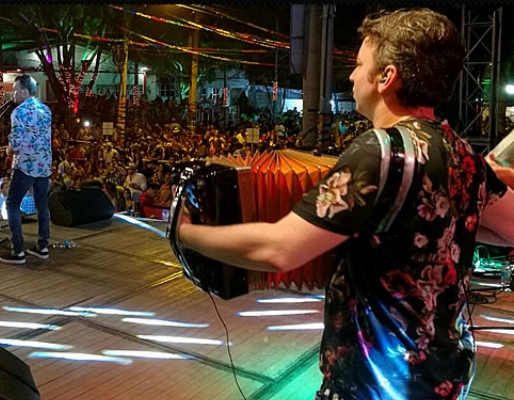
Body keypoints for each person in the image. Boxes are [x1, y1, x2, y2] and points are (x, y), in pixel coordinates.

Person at [178, 9, 514, 400]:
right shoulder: (462, 154)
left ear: (386, 77)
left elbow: (279, 249)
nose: (352, 76)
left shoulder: (381, 152)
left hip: (373, 383)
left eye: (358, 65)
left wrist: (187, 232)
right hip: (442, 378)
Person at [0, 75, 52, 265]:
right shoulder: (46, 110)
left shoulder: (19, 112)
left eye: (14, 89)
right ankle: (43, 246)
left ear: (23, 91)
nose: (13, 93)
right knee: (42, 204)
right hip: (44, 165)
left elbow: (16, 143)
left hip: (26, 166)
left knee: (12, 204)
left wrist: (8, 150)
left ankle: (18, 250)